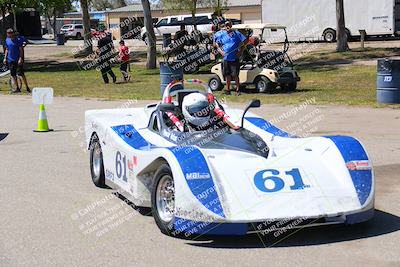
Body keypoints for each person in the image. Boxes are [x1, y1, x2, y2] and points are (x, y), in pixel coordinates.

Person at [215, 21, 248, 95]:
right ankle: (228, 89)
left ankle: (238, 89)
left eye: (228, 25)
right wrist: (221, 51)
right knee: (227, 74)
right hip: (226, 58)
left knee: (235, 75)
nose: (227, 27)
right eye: (226, 25)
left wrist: (241, 51)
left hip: (235, 57)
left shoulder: (236, 34)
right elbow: (217, 44)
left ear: (231, 26)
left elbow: (245, 41)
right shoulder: (223, 35)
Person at [3, 28, 30, 93]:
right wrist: (5, 58)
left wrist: (20, 58)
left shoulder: (18, 40)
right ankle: (17, 88)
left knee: (21, 74)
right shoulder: (7, 40)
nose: (10, 34)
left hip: (17, 59)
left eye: (11, 33)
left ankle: (27, 87)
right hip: (10, 60)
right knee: (13, 74)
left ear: (13, 33)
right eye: (8, 33)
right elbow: (7, 49)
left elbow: (21, 50)